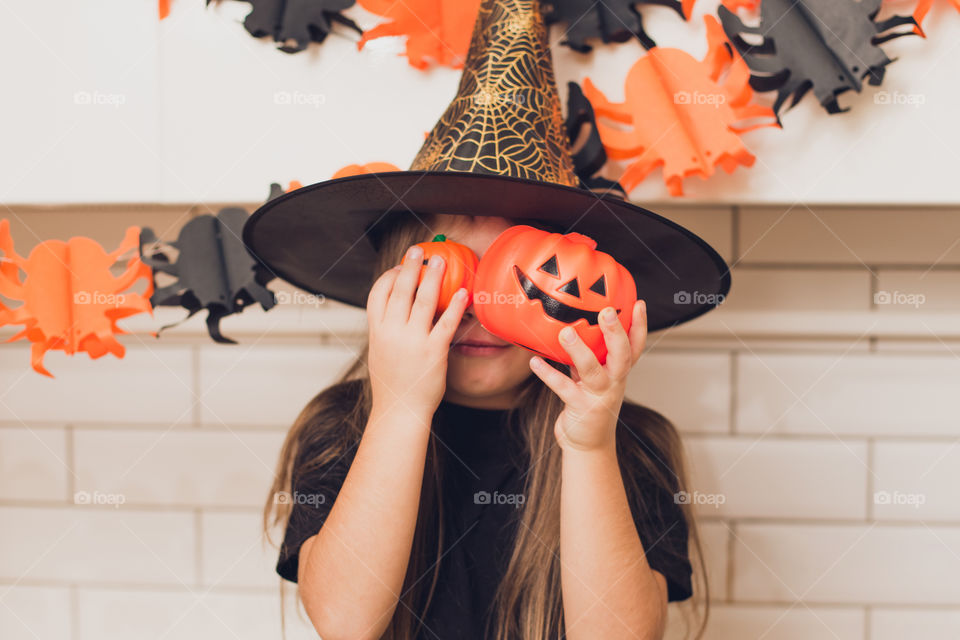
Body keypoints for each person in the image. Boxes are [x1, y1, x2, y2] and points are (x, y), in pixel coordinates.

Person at [263, 212, 709, 640]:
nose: (479, 306)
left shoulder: (632, 441)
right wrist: (400, 408)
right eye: (449, 273)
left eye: (510, 274)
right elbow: (345, 623)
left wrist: (591, 449)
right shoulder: (341, 424)